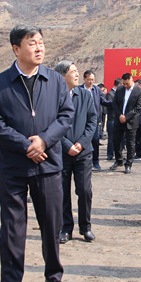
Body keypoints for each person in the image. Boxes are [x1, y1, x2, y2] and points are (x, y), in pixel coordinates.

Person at [0, 25, 74, 282]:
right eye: (31, 43)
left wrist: (44, 141)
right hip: (14, 167)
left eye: (41, 42)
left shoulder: (55, 81)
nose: (39, 48)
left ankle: (54, 276)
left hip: (48, 164)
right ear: (16, 49)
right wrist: (26, 145)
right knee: (12, 229)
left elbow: (66, 116)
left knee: (51, 224)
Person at [55, 60, 97, 243]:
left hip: (83, 152)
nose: (77, 74)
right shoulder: (53, 96)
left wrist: (81, 143)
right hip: (61, 153)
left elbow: (92, 120)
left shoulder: (85, 95)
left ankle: (85, 227)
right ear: (62, 75)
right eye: (73, 71)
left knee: (85, 191)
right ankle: (66, 228)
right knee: (63, 192)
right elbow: (50, 124)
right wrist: (67, 145)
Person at [110, 73, 141, 173]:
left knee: (130, 143)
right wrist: (120, 115)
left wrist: (126, 116)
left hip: (131, 121)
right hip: (119, 119)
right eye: (124, 83)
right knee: (116, 141)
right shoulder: (120, 89)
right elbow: (115, 104)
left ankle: (128, 164)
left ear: (131, 80)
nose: (125, 85)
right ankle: (119, 160)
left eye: (127, 83)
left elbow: (138, 108)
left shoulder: (139, 91)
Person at [79, 70, 107, 171]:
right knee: (83, 141)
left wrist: (115, 104)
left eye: (93, 80)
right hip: (81, 121)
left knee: (95, 140)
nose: (91, 82)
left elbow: (103, 101)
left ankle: (95, 161)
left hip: (94, 121)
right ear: (84, 79)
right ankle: (83, 162)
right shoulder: (79, 89)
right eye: (89, 79)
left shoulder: (96, 89)